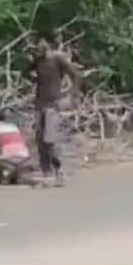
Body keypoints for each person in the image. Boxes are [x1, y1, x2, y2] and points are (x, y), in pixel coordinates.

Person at [29, 35, 83, 187]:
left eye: (42, 43)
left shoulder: (58, 59)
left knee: (50, 139)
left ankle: (59, 170)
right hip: (40, 103)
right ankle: (46, 172)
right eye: (37, 44)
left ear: (48, 45)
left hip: (54, 103)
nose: (39, 46)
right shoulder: (38, 60)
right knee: (40, 139)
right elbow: (26, 71)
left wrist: (72, 94)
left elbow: (76, 75)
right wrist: (35, 79)